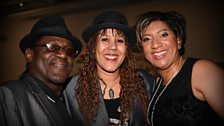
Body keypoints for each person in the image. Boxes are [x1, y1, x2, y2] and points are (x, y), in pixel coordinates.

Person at [63, 10, 154, 126]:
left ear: (126, 49)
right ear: (92, 47)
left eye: (120, 40)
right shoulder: (69, 90)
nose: (113, 47)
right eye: (105, 39)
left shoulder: (146, 84)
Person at [135, 11, 224, 126]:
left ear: (178, 40)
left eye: (164, 35)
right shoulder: (156, 84)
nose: (155, 45)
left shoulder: (202, 71)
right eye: (147, 39)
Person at [0, 15, 83, 126]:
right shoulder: (9, 95)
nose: (63, 55)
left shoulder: (70, 102)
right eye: (53, 47)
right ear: (29, 54)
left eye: (70, 51)